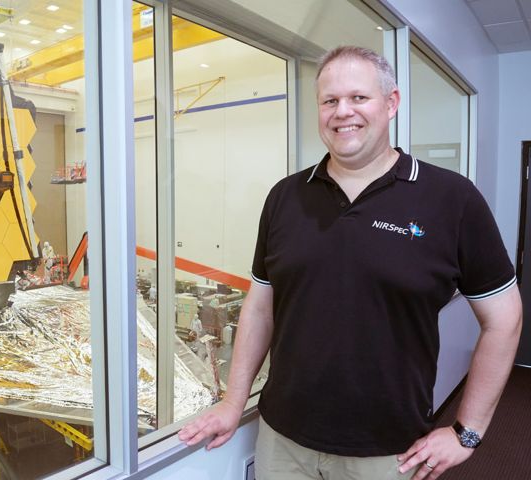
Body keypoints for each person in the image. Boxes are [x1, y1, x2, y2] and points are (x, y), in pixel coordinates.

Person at [178, 45, 522, 480]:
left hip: (389, 451)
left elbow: (504, 318)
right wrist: (233, 402)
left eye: (359, 98)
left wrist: (467, 431)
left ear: (391, 103)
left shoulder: (451, 199)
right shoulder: (285, 197)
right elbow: (261, 306)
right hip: (283, 441)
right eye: (330, 100)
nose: (343, 112)